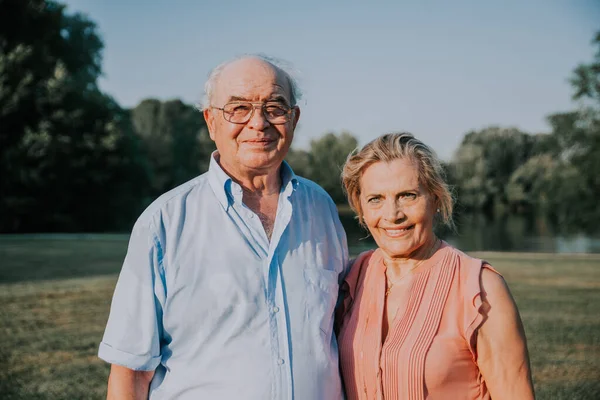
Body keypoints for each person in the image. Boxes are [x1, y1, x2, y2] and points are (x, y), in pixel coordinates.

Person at [98, 55, 348, 399]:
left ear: (294, 118)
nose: (258, 122)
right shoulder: (164, 223)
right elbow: (130, 373)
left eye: (275, 107)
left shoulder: (321, 209)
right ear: (211, 121)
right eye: (239, 108)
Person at [337, 133, 535, 400]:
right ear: (360, 206)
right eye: (376, 199)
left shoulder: (480, 288)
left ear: (435, 199)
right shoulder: (351, 279)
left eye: (407, 196)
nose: (392, 214)